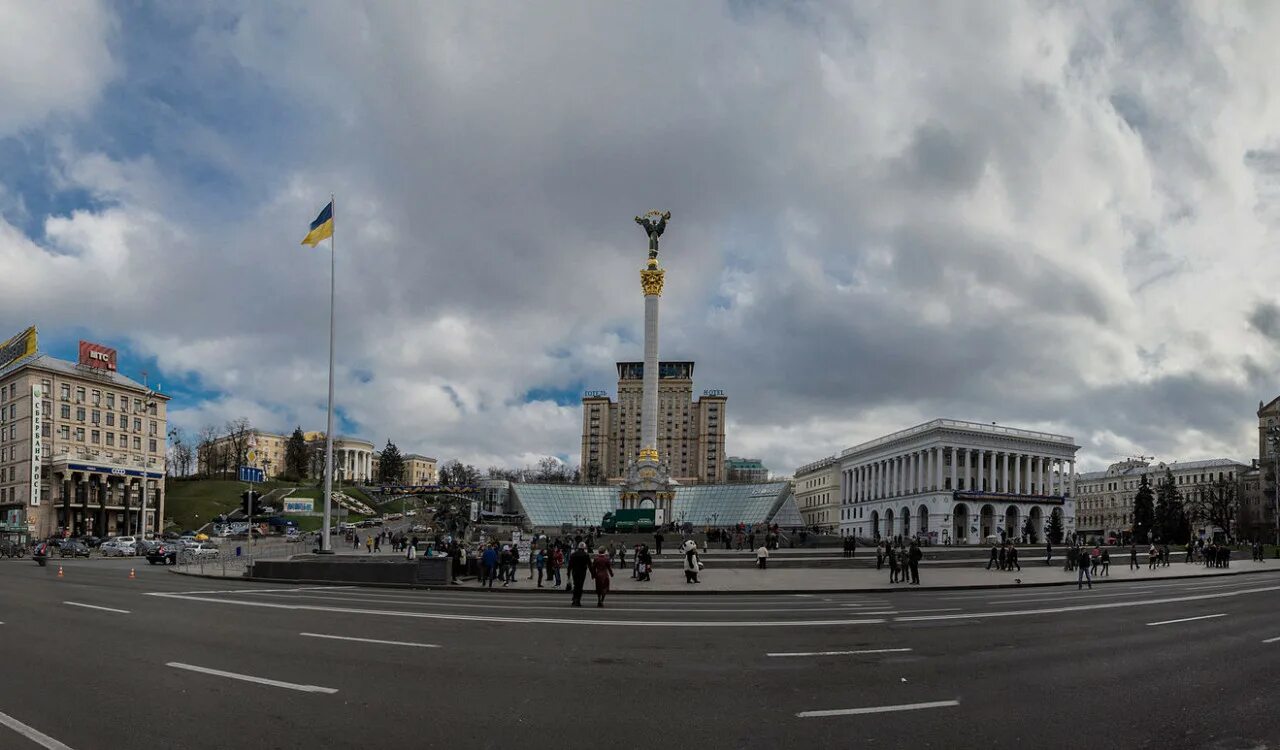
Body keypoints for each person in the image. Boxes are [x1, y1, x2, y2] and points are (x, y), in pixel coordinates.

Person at [567, 542, 591, 606]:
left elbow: (570, 566)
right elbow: (590, 565)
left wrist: (568, 574)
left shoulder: (573, 554)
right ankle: (577, 600)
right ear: (584, 548)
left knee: (576, 585)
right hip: (582, 572)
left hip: (574, 572)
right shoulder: (586, 555)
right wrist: (593, 574)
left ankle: (574, 598)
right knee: (580, 586)